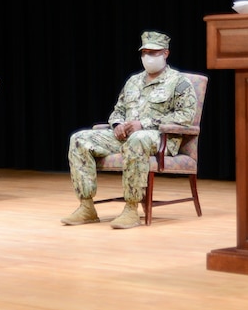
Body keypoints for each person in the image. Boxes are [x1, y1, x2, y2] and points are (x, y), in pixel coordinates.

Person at [61, 31, 198, 229]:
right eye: (145, 52)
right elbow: (118, 110)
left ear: (165, 53)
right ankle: (86, 207)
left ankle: (131, 209)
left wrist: (144, 123)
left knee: (138, 138)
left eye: (154, 52)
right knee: (79, 138)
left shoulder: (179, 82)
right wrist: (117, 125)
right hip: (126, 136)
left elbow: (185, 116)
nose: (148, 57)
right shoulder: (133, 81)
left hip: (159, 137)